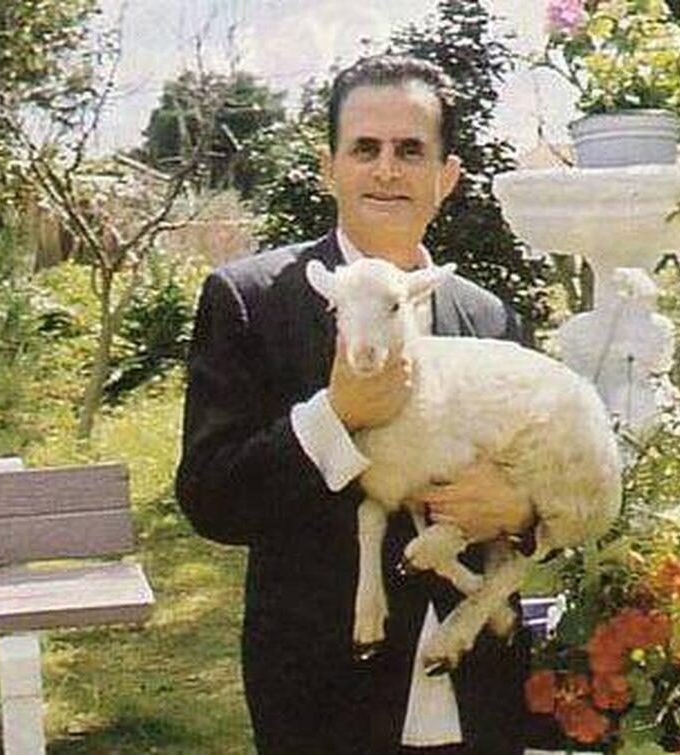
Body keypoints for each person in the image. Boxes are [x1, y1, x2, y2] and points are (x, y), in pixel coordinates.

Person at [174, 55, 539, 754]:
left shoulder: (490, 320)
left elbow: (547, 483)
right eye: (364, 149)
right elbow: (213, 500)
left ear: (447, 176)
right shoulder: (251, 301)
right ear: (329, 168)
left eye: (410, 150)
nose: (387, 170)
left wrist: (519, 511)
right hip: (323, 696)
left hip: (482, 687)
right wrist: (335, 418)